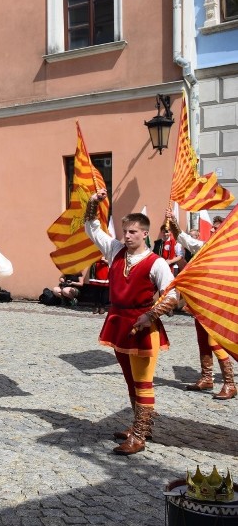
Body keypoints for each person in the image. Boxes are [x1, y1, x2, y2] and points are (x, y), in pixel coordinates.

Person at [85, 189, 177, 455]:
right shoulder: (115, 251)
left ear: (145, 234)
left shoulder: (156, 262)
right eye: (125, 231)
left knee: (143, 381)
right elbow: (92, 229)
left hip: (144, 326)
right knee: (129, 379)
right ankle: (139, 425)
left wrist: (150, 315)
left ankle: (139, 436)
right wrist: (93, 204)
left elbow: (172, 294)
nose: (126, 236)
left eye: (133, 232)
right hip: (119, 322)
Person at [166, 209, 235, 400]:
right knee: (203, 341)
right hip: (203, 305)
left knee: (215, 342)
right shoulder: (206, 247)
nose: (212, 231)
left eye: (216, 229)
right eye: (212, 228)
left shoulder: (232, 254)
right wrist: (172, 222)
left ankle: (230, 383)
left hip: (221, 307)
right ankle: (207, 378)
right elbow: (185, 239)